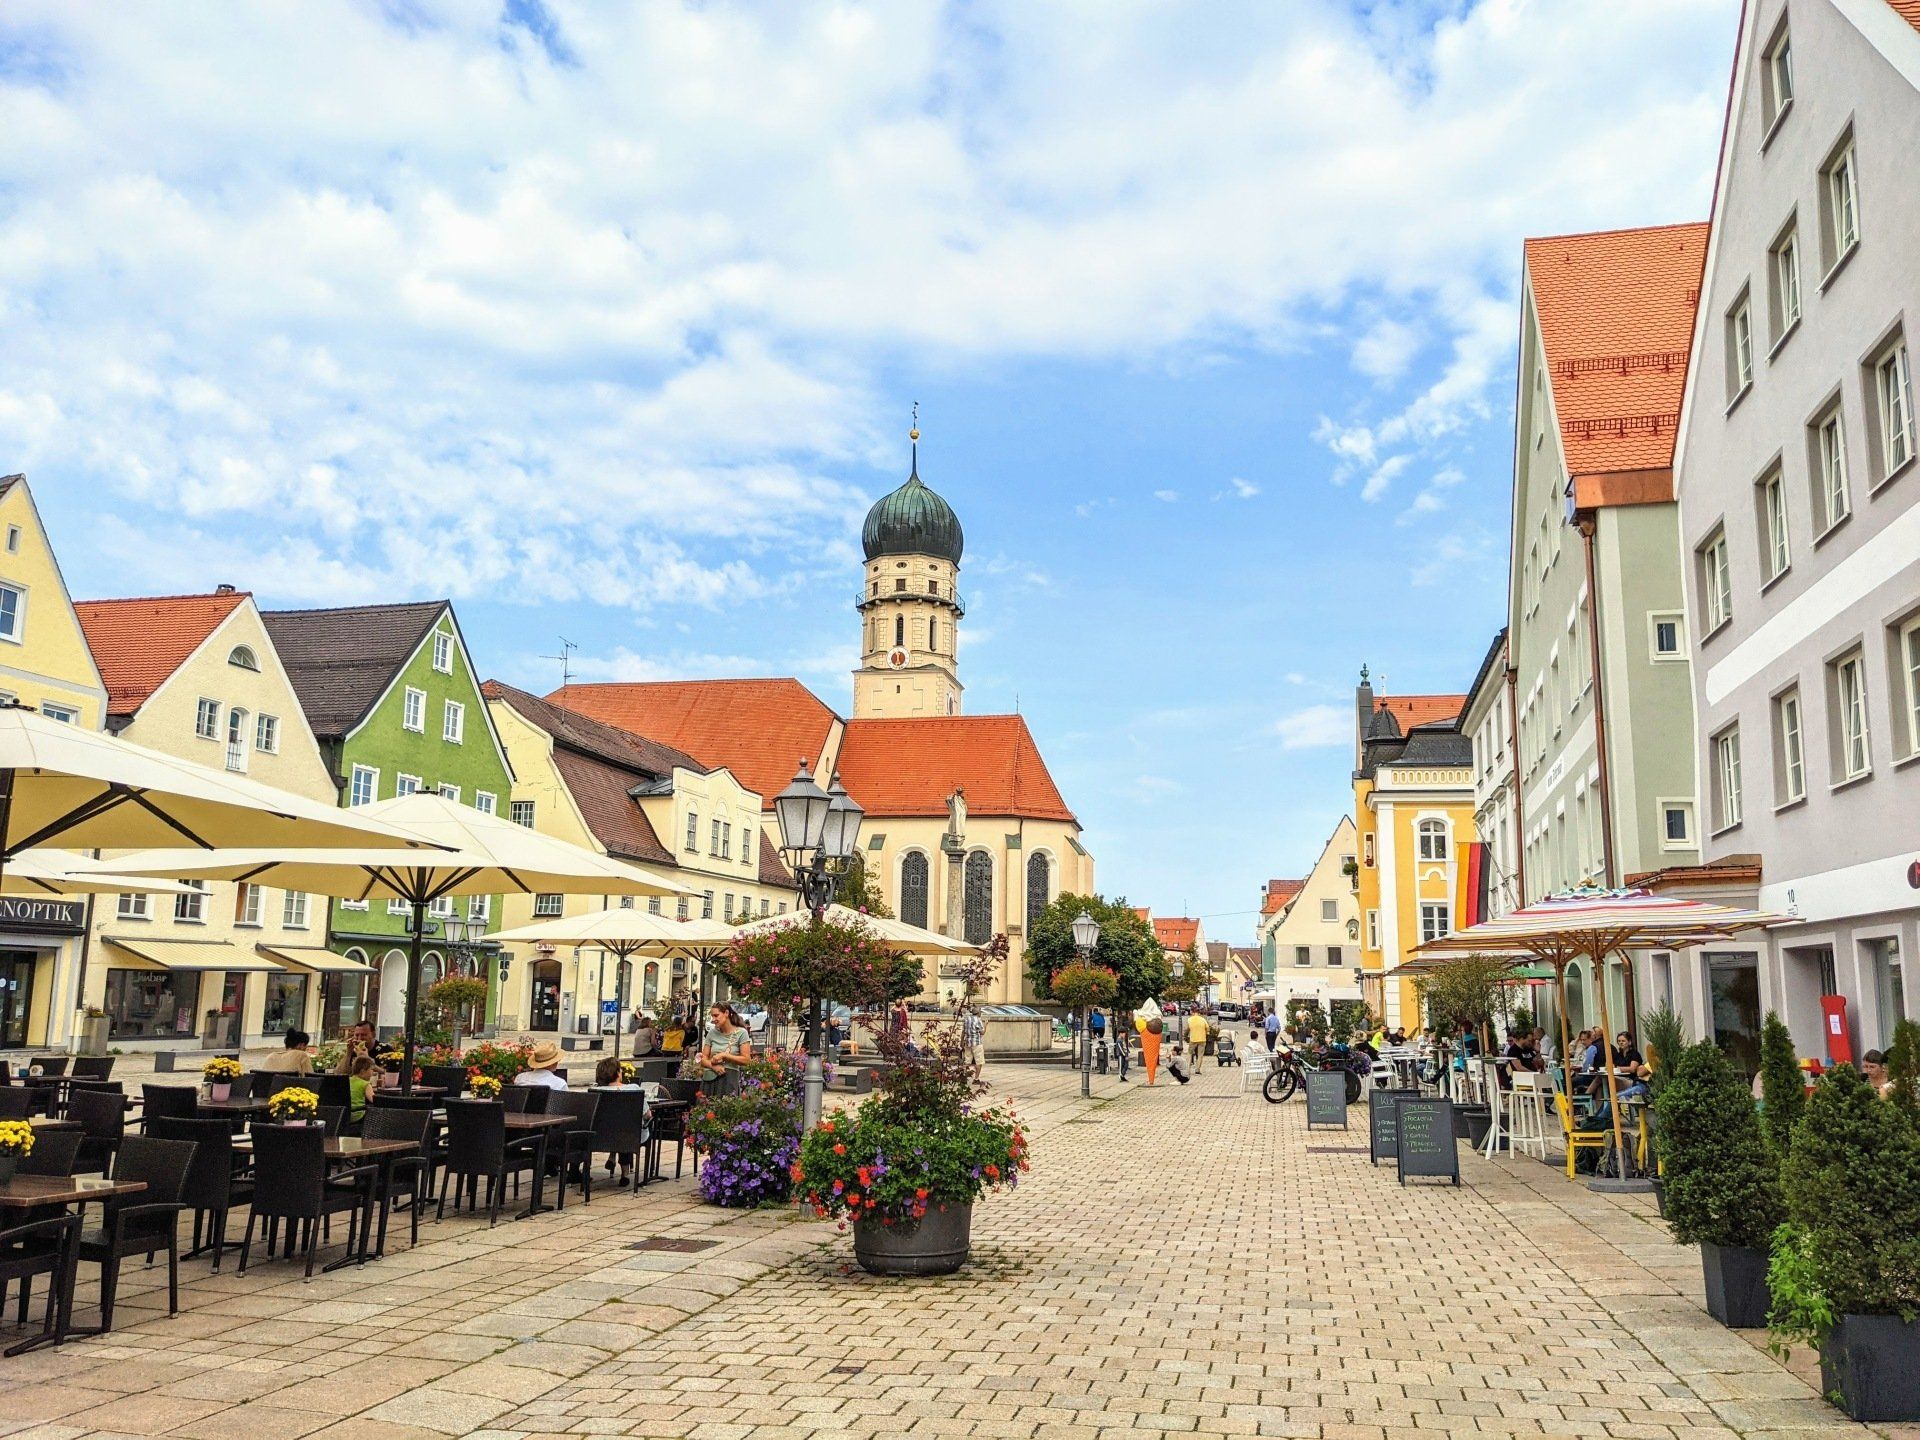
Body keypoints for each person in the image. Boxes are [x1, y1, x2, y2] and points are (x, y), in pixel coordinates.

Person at [699, 1004, 754, 1084]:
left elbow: (746, 1060)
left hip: (730, 1080)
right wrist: (713, 1066)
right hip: (710, 1080)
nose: (713, 1019)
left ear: (726, 1013)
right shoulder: (712, 1033)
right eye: (712, 1016)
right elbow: (703, 1059)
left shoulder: (741, 1033)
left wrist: (725, 1055)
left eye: (716, 1015)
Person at [347, 1053, 376, 1124]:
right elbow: (374, 1100)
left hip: (344, 1115)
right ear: (363, 1071)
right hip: (358, 1115)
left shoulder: (347, 1081)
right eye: (371, 1069)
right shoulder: (365, 1084)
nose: (373, 1072)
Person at [962, 1006, 986, 1081]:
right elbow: (982, 1032)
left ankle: (963, 1077)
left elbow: (963, 1032)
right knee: (979, 1062)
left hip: (968, 1043)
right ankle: (976, 1079)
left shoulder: (967, 1019)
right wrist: (986, 1025)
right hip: (977, 1043)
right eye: (980, 1012)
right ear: (978, 1013)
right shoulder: (978, 1020)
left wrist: (961, 1042)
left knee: (967, 1061)